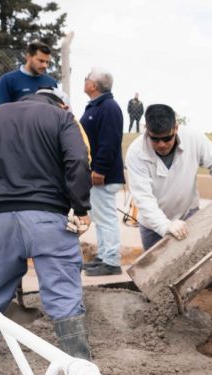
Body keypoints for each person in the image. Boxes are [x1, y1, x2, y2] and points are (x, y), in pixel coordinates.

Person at [0, 87, 93, 360]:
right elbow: (77, 160)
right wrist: (81, 208)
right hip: (48, 218)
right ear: (63, 105)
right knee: (65, 299)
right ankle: (82, 374)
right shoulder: (61, 118)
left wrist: (1, 181)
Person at [126, 104, 212, 250]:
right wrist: (165, 225)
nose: (161, 144)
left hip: (189, 215)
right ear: (146, 129)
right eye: (155, 139)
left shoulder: (193, 138)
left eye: (167, 138)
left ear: (176, 128)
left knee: (196, 265)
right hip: (153, 226)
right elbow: (143, 198)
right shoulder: (136, 153)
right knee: (158, 271)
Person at [80, 67, 125, 276]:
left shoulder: (109, 107)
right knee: (100, 217)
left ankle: (111, 261)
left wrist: (100, 169)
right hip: (97, 175)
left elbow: (110, 142)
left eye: (87, 78)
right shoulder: (96, 106)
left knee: (106, 218)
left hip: (103, 176)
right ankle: (104, 256)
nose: (85, 81)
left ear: (94, 85)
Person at [0, 40, 58, 106]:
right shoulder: (8, 80)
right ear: (28, 57)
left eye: (47, 62)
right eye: (41, 61)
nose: (45, 65)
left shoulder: (52, 83)